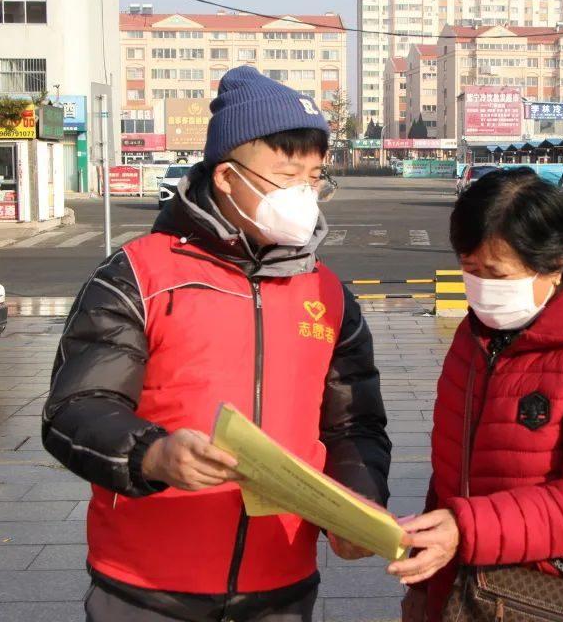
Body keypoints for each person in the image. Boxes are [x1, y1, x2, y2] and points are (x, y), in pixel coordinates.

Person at [43, 66, 392, 622]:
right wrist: (151, 454)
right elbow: (74, 411)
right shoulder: (138, 273)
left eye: (315, 177)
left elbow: (355, 425)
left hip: (281, 586)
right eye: (286, 175)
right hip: (145, 587)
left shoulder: (328, 293)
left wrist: (359, 505)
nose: (305, 193)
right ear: (228, 178)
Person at [391, 167, 563, 622]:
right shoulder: (474, 336)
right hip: (470, 594)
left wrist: (466, 528)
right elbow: (451, 472)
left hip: (561, 599)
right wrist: (427, 574)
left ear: (552, 267)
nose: (480, 289)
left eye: (497, 274)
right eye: (470, 269)